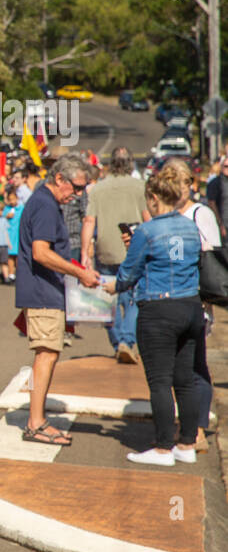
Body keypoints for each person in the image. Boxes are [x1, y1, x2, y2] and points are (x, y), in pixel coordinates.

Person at [103, 168, 202, 466]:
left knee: (159, 381)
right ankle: (187, 443)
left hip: (158, 309)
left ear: (155, 198)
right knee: (185, 381)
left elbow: (128, 274)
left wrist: (112, 285)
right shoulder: (190, 227)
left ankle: (162, 447)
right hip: (190, 304)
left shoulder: (147, 231)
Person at [16, 153, 102, 446]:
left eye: (83, 189)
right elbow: (41, 252)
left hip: (45, 289)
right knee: (46, 354)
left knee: (48, 353)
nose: (78, 195)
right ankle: (36, 422)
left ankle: (37, 420)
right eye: (76, 188)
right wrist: (78, 272)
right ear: (59, 179)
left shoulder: (45, 201)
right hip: (42, 291)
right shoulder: (45, 204)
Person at [164, 158, 218, 454]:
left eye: (181, 185)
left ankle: (197, 429)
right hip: (173, 298)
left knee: (195, 366)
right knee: (178, 367)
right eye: (170, 185)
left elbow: (211, 255)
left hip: (196, 299)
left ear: (191, 185)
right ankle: (187, 424)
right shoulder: (168, 214)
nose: (176, 191)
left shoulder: (201, 213)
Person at [82, 148, 147, 365]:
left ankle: (117, 341)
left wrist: (85, 252)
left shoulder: (98, 189)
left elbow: (89, 221)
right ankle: (127, 342)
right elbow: (147, 219)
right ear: (130, 163)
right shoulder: (139, 187)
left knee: (108, 299)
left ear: (111, 163)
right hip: (133, 250)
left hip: (106, 249)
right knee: (133, 299)